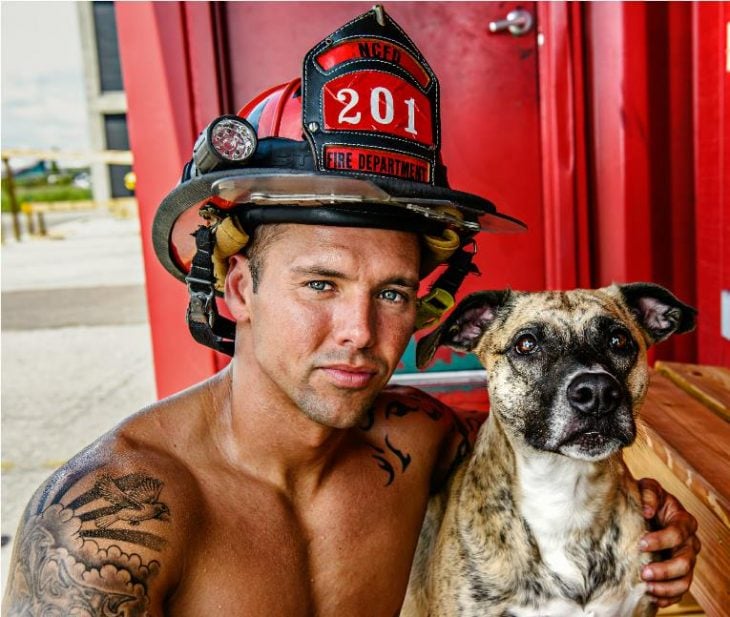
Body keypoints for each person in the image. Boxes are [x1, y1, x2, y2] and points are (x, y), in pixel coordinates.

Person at [3, 7, 699, 616]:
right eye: (321, 285)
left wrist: (654, 518)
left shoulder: (428, 437)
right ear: (239, 287)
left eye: (392, 292)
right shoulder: (107, 523)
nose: (360, 332)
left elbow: (547, 456)